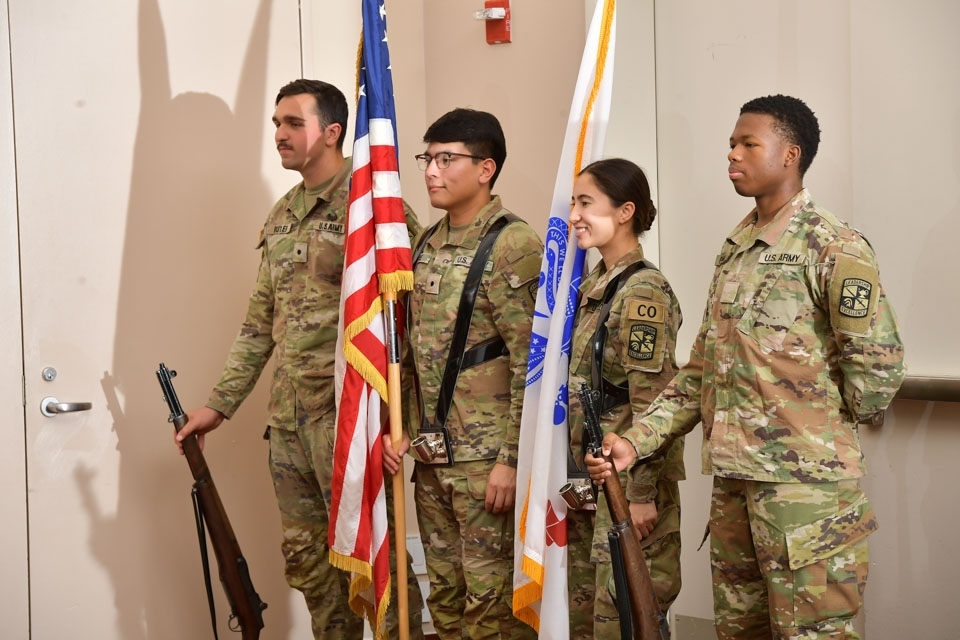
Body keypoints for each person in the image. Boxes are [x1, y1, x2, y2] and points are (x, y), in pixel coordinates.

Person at [586, 95, 906, 639]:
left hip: (805, 494)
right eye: (732, 143)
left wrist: (816, 430)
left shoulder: (833, 246)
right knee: (738, 632)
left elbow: (878, 368)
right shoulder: (736, 250)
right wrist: (636, 442)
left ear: (790, 154)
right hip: (733, 486)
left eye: (748, 143)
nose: (732, 153)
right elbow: (700, 372)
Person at [174, 78, 425, 639]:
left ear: (332, 132)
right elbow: (259, 323)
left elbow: (411, 325)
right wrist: (218, 406)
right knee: (311, 564)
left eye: (293, 123)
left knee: (375, 560)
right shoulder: (283, 214)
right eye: (276, 124)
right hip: (289, 423)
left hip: (350, 418)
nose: (279, 135)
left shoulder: (375, 210)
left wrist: (399, 419)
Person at [381, 108, 542, 639]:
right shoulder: (427, 244)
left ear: (485, 168)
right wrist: (399, 430)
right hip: (432, 458)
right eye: (428, 158)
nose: (431, 171)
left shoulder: (512, 244)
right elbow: (411, 353)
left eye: (446, 159)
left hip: (485, 464)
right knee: (445, 603)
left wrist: (512, 460)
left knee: (490, 610)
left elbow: (531, 364)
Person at [564, 158, 685, 638]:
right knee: (591, 625)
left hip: (627, 490)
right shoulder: (597, 283)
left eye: (586, 203)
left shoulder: (641, 292)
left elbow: (656, 403)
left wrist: (640, 496)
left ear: (624, 211)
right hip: (593, 485)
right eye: (574, 203)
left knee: (627, 623)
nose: (574, 215)